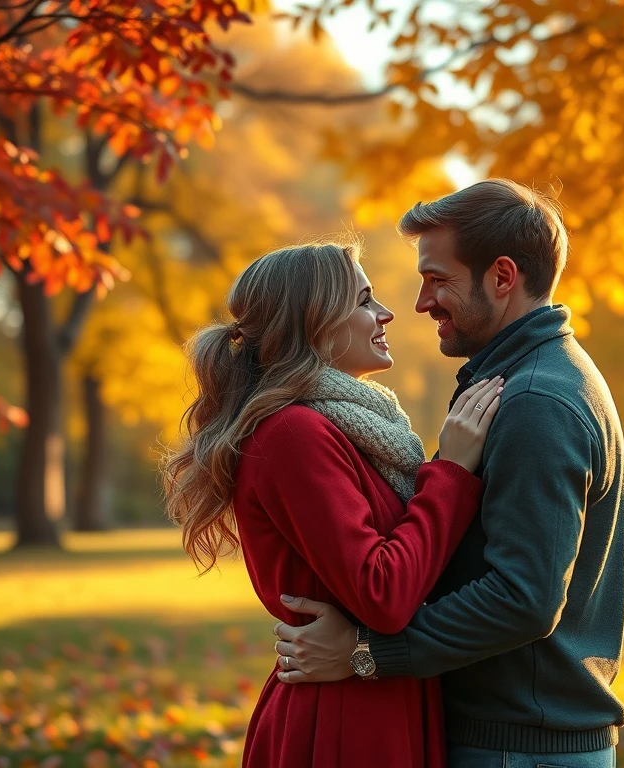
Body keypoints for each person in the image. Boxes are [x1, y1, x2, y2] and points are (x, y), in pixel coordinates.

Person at [272, 180, 624, 768]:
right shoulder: (521, 381)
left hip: (518, 749)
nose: (420, 302)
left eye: (438, 280)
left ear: (503, 277)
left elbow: (525, 599)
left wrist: (366, 653)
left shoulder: (535, 400)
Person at [161, 239, 504, 767]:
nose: (387, 313)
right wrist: (452, 475)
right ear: (316, 322)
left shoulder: (353, 431)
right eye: (365, 300)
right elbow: (383, 592)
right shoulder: (292, 434)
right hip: (342, 721)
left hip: (378, 695)